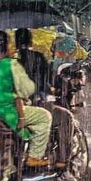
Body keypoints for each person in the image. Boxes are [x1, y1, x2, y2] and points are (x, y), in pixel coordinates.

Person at [0, 30, 52, 168]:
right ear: (7, 46)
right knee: (45, 117)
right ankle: (34, 156)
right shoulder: (11, 64)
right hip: (6, 113)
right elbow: (28, 89)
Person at [16, 28, 72, 169]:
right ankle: (62, 161)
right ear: (30, 40)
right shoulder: (37, 57)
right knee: (65, 118)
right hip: (30, 104)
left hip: (4, 110)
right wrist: (54, 87)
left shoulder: (10, 61)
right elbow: (48, 80)